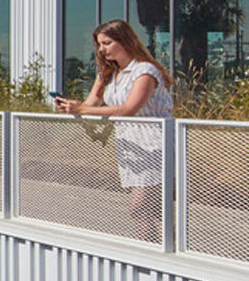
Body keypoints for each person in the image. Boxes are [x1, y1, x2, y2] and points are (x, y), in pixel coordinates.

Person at [54, 18, 176, 243]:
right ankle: (156, 252)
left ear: (125, 41)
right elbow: (91, 104)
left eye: (107, 43)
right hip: (131, 146)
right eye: (99, 44)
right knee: (154, 211)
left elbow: (130, 108)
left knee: (139, 207)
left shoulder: (145, 72)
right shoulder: (108, 73)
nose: (102, 49)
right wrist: (72, 107)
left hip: (156, 145)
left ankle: (155, 252)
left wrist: (81, 109)